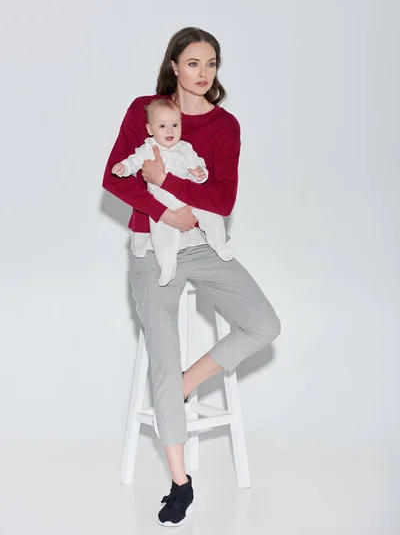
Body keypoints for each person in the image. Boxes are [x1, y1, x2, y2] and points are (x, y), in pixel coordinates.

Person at [102, 26, 281, 527]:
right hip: (149, 248)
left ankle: (181, 386)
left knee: (264, 325)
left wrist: (169, 184)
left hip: (202, 247)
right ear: (175, 66)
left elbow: (222, 200)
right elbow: (112, 177)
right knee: (161, 350)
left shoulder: (225, 126)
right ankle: (181, 482)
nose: (204, 74)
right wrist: (167, 211)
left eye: (212, 64)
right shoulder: (145, 110)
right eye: (194, 63)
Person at [111, 98, 233, 286]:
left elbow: (198, 166)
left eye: (175, 125)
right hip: (165, 206)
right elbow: (133, 161)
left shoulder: (185, 148)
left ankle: (219, 244)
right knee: (163, 238)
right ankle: (167, 266)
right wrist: (124, 168)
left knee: (212, 215)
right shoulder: (148, 149)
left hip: (189, 200)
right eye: (162, 126)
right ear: (150, 130)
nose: (170, 130)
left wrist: (200, 174)